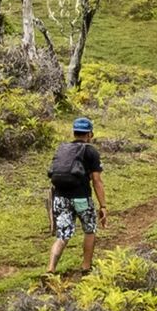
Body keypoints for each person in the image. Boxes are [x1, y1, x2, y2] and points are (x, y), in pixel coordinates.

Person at [44, 113, 108, 278]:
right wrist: (103, 206)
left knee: (63, 235)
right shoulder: (90, 151)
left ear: (74, 132)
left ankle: (50, 269)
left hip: (60, 198)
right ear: (89, 134)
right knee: (89, 229)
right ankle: (86, 267)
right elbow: (96, 180)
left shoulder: (62, 148)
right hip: (81, 198)